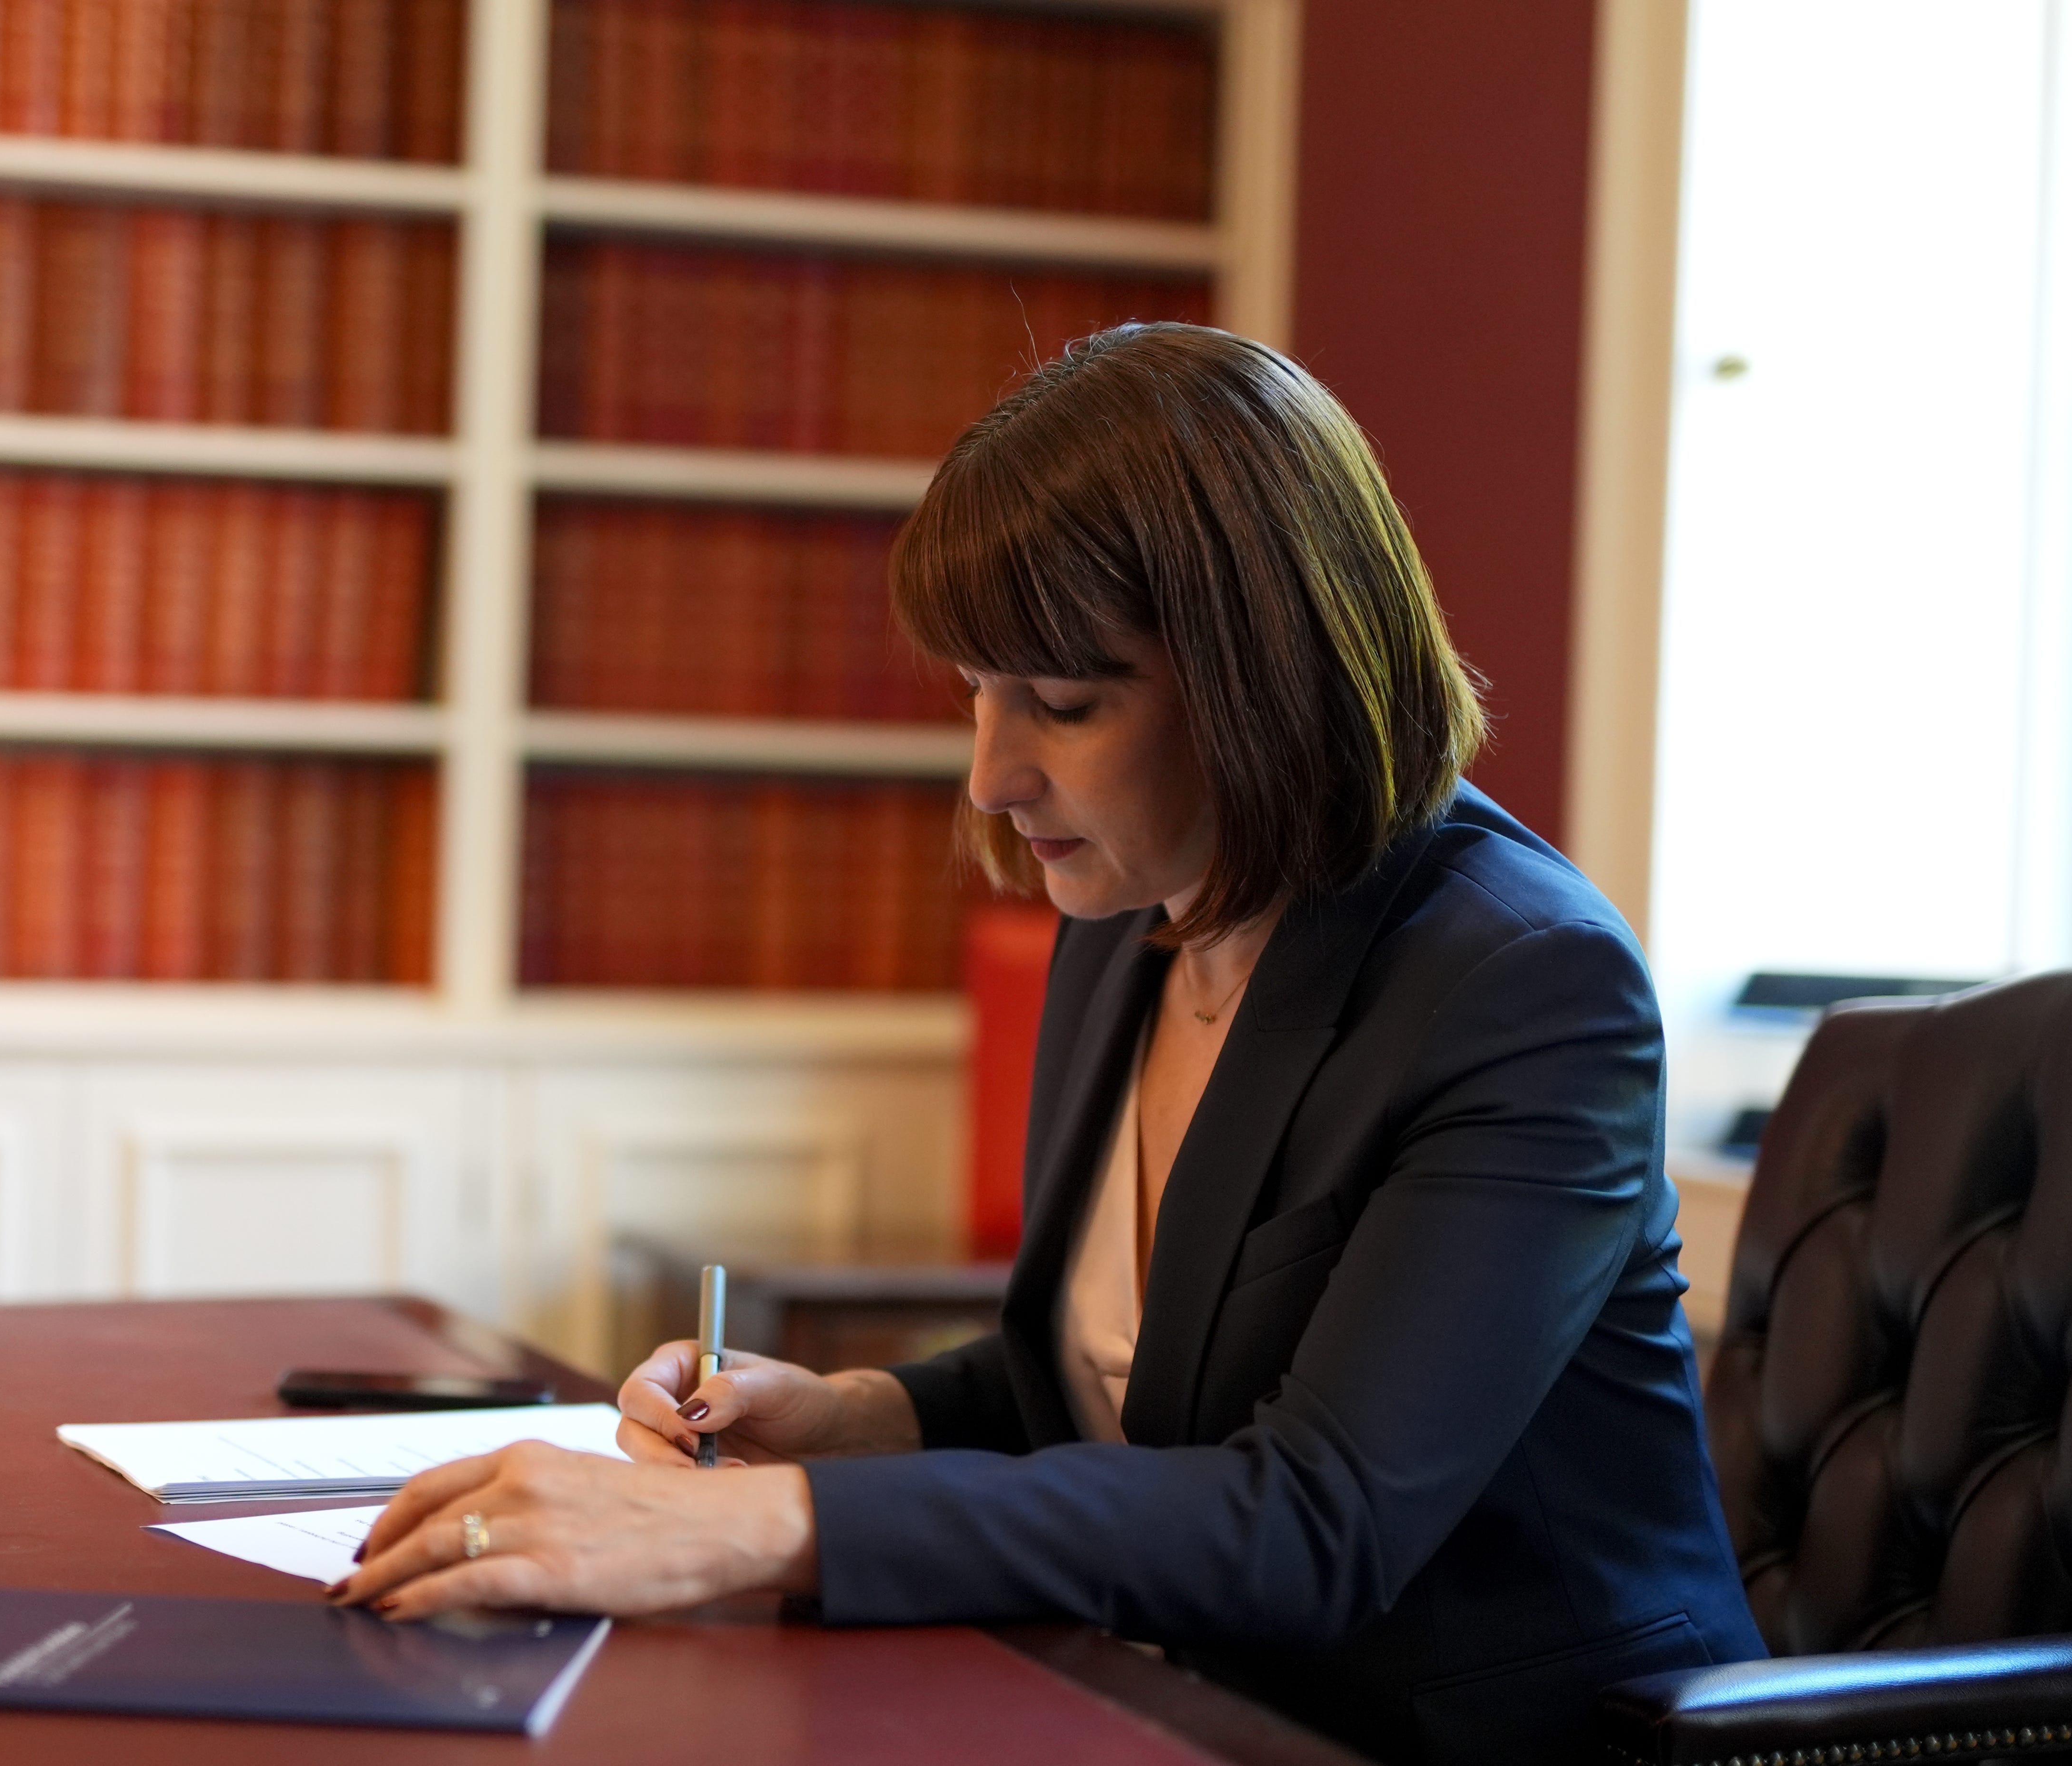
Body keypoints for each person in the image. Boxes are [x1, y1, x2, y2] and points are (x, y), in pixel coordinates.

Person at [329, 323, 1764, 1765]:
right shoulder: (1126, 911)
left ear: (1267, 678)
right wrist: (849, 1418)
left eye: (1063, 706)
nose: (992, 775)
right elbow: (1080, 1389)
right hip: (1164, 1698)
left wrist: (744, 1526)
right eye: (976, 690)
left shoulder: (1523, 984)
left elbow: (1316, 1522)